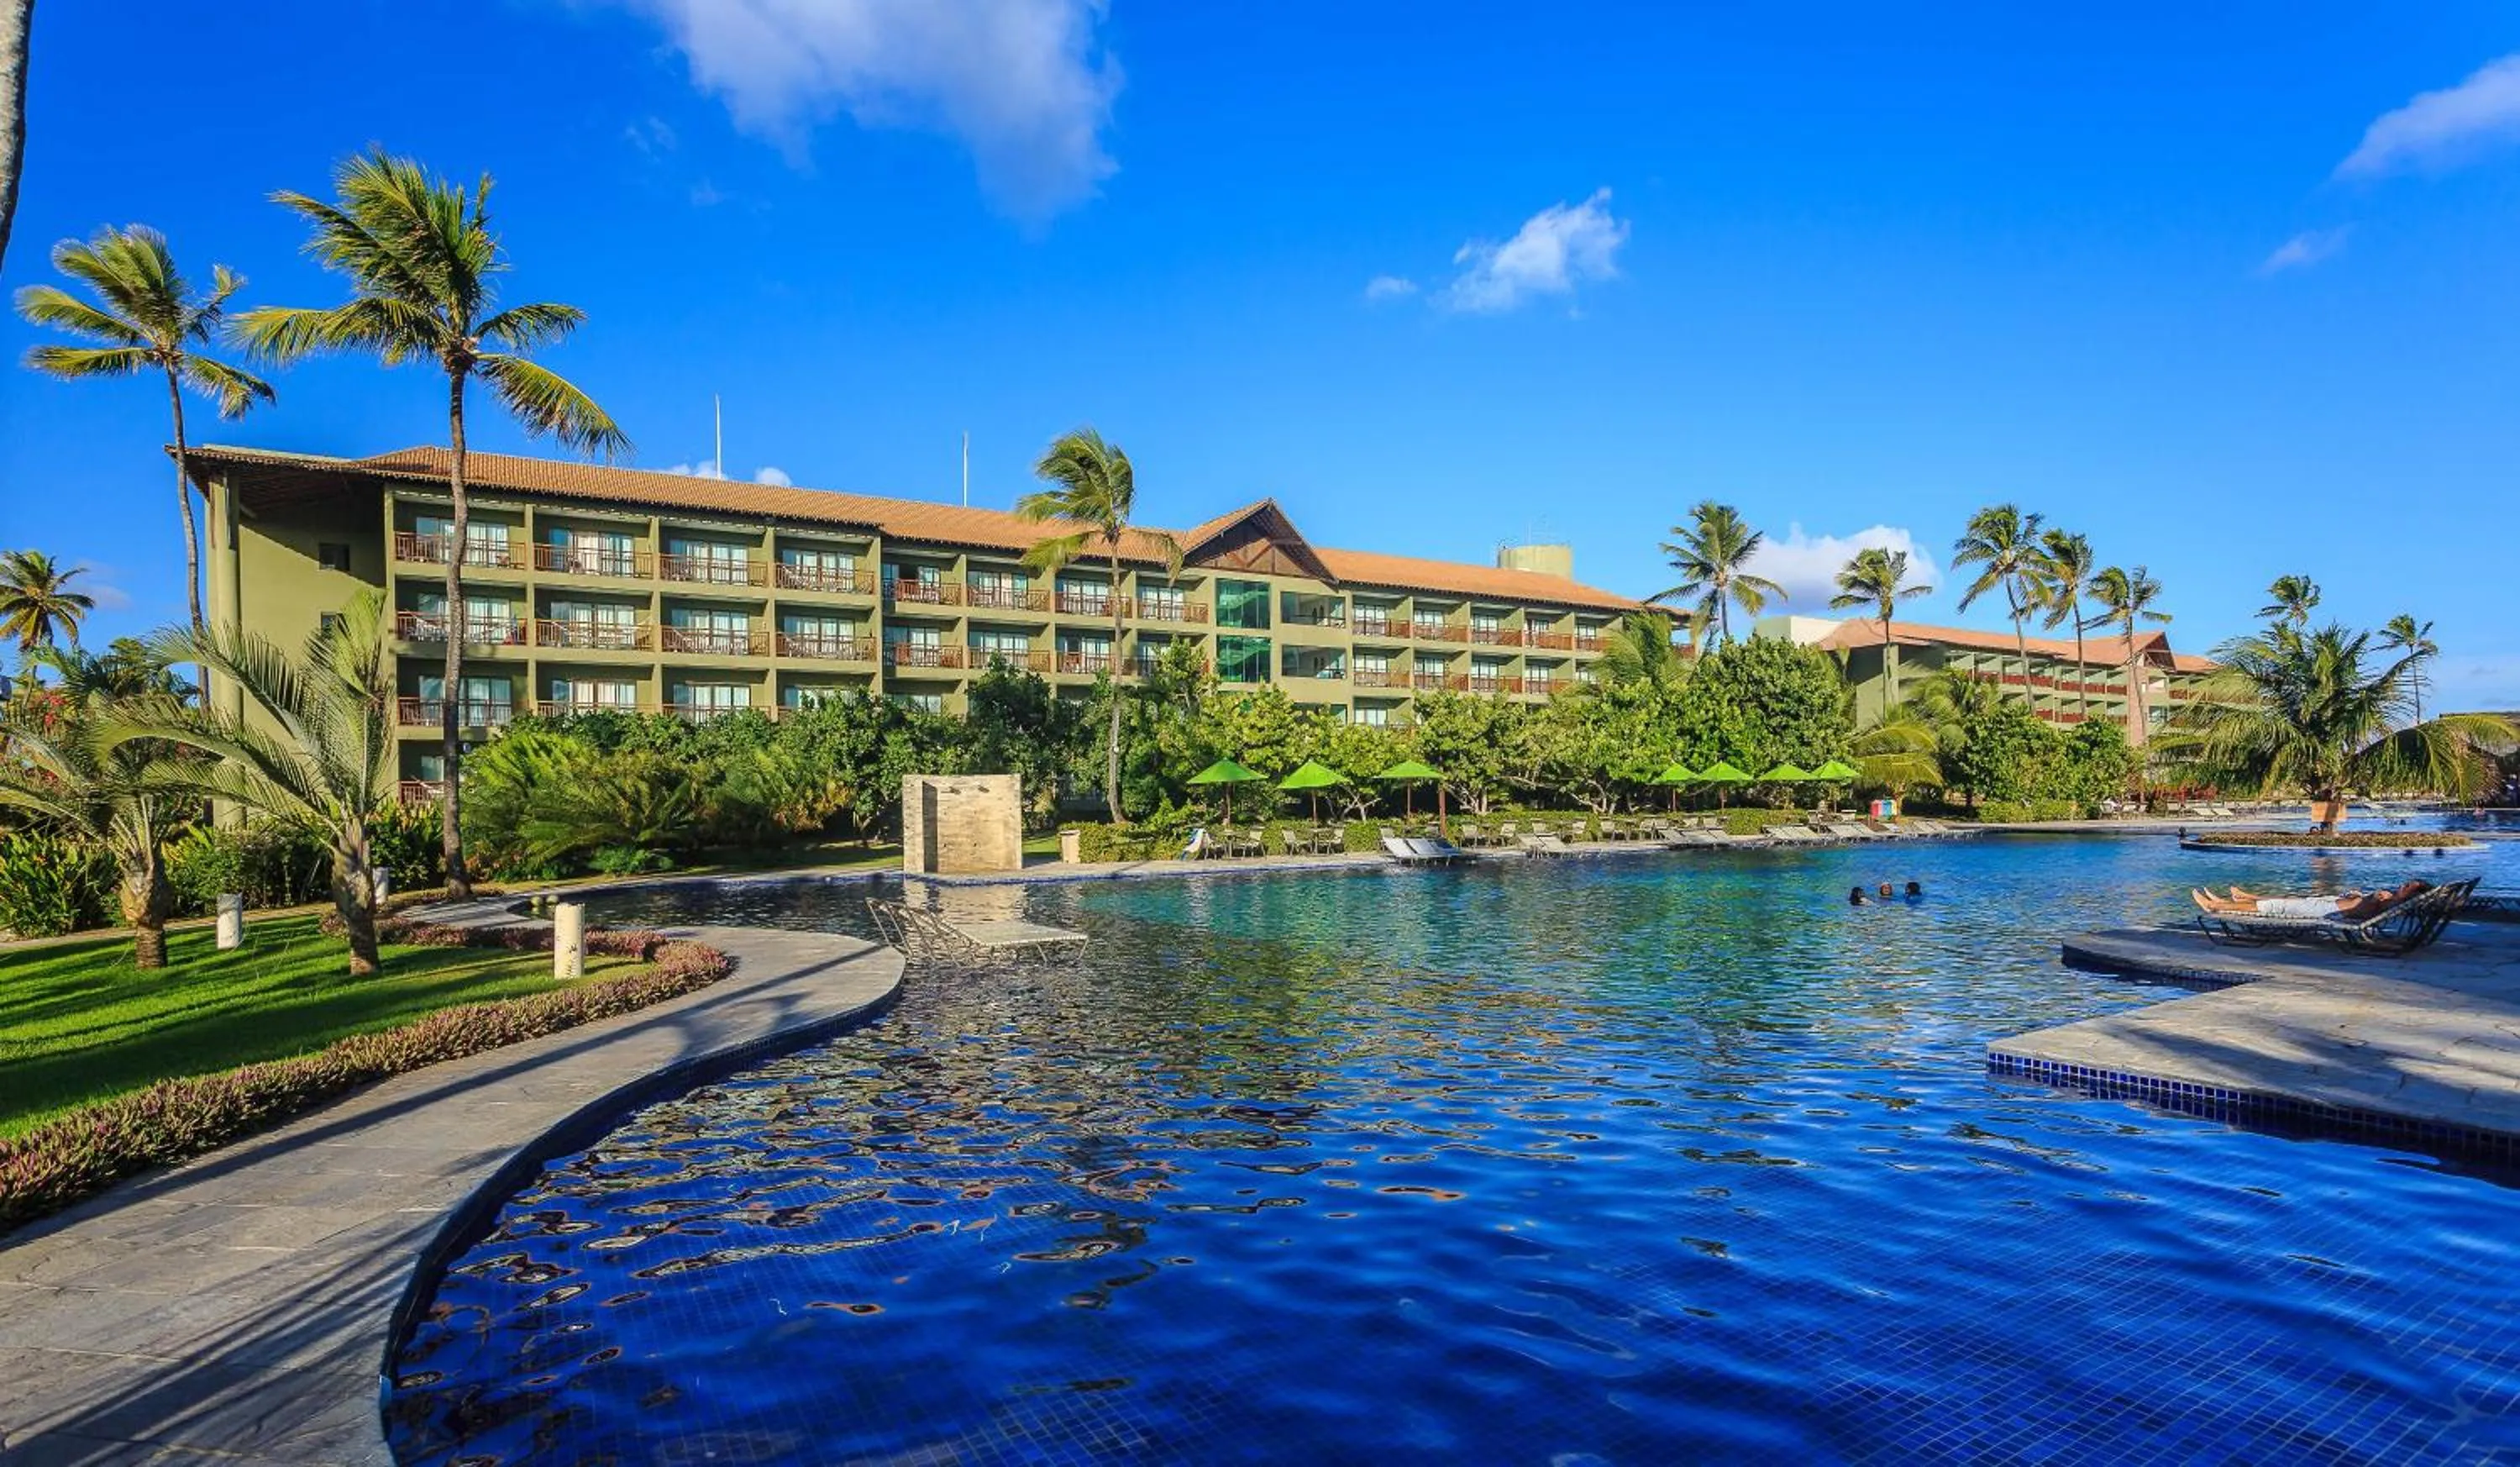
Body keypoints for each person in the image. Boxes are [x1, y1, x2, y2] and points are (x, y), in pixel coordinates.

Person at [2192, 880, 2427, 920]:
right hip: (2331, 905)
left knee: (2273, 907)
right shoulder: (2393, 900)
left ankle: (2214, 905)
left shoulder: (2394, 902)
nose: (2403, 885)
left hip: (2327, 912)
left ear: (2412, 895)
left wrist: (2374, 896)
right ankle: (2229, 899)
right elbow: (2366, 906)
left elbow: (2373, 906)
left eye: (2408, 886)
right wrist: (2358, 895)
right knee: (2285, 900)